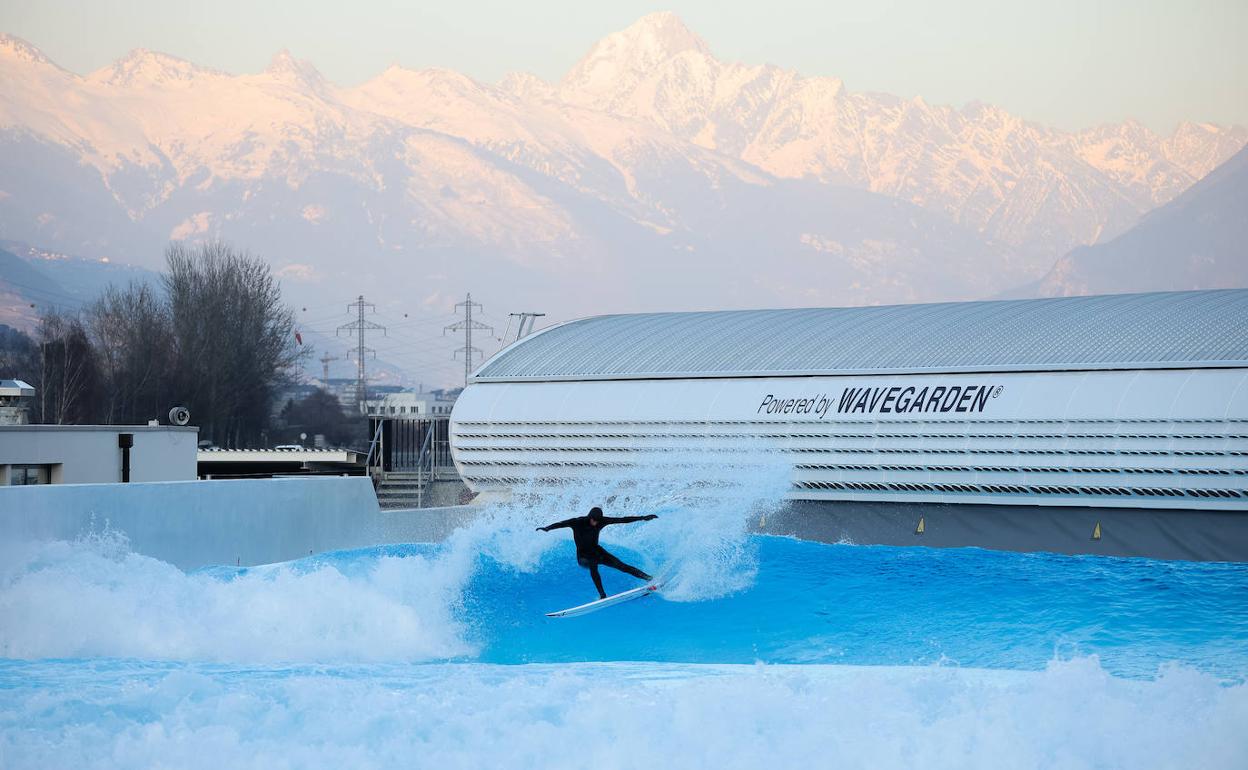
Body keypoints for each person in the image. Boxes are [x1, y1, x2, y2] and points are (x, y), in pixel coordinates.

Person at [537, 506, 658, 599]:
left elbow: (622, 519)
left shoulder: (601, 521)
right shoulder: (577, 522)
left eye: (597, 521)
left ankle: (649, 578)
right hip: (583, 556)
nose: (595, 523)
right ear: (589, 517)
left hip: (597, 551)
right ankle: (602, 595)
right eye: (593, 520)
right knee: (593, 565)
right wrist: (547, 528)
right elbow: (561, 524)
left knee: (622, 566)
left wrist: (643, 517)